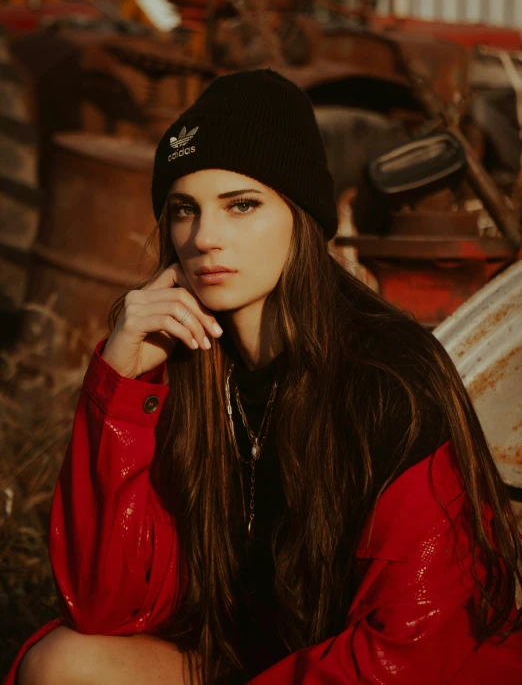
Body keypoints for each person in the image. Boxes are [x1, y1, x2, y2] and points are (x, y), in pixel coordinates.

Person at [7, 69, 522, 685]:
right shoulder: (184, 367)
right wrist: (118, 391)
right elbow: (103, 606)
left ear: (300, 216)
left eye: (241, 205)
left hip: (390, 676)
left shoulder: (390, 381)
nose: (205, 238)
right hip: (264, 663)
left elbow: (410, 650)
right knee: (63, 665)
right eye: (183, 211)